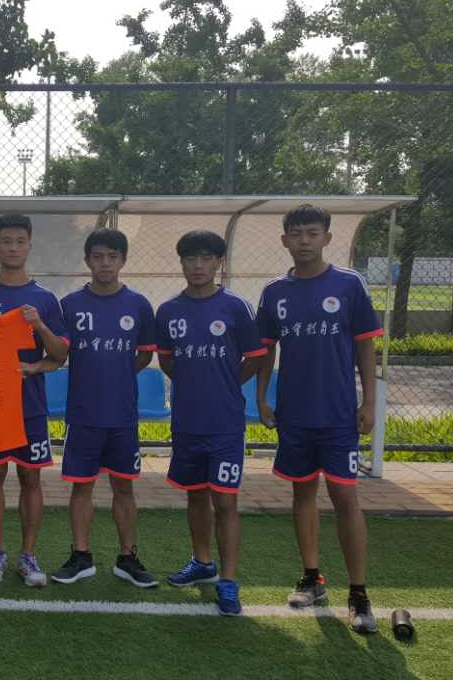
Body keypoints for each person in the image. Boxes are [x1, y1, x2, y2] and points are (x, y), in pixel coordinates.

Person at [255, 204, 383, 634]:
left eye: (312, 233)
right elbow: (266, 349)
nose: (304, 240)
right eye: (296, 234)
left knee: (345, 497)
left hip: (338, 415)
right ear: (285, 240)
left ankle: (359, 593)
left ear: (327, 238)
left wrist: (369, 403)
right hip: (294, 415)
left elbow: (365, 346)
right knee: (302, 494)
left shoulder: (349, 285)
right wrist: (261, 396)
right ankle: (312, 578)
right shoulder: (274, 292)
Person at [155, 230, 267, 616]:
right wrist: (193, 382)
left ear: (218, 262)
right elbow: (166, 359)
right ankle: (202, 562)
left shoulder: (236, 307)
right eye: (190, 259)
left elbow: (256, 356)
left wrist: (226, 382)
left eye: (206, 258)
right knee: (195, 494)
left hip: (225, 424)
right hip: (187, 422)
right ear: (182, 263)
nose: (198, 266)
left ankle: (229, 581)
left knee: (225, 500)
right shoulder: (169, 311)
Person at [52, 228, 158, 588]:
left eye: (113, 256)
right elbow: (59, 351)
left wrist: (117, 375)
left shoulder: (139, 305)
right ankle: (81, 556)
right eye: (98, 256)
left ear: (123, 260)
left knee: (124, 488)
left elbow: (144, 355)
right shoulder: (70, 305)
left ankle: (128, 558)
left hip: (122, 415)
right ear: (87, 261)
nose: (105, 263)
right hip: (83, 414)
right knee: (81, 487)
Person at [0, 214, 68, 588]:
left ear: (29, 246)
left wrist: (39, 328)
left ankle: (28, 554)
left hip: (31, 406)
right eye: (6, 241)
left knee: (31, 476)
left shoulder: (44, 299)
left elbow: (59, 355)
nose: (13, 248)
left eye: (19, 241)